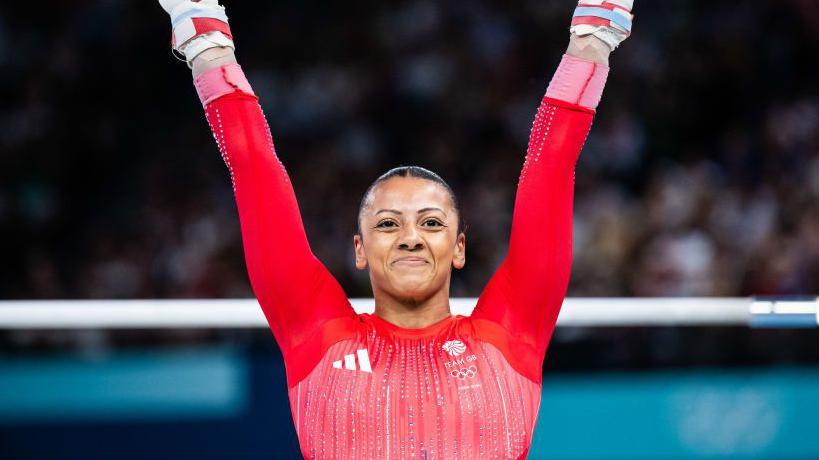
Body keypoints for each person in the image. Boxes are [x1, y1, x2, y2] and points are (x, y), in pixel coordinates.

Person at [157, 1, 633, 458]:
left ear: (459, 247)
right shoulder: (317, 335)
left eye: (431, 222)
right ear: (359, 251)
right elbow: (253, 166)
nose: (411, 236)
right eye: (388, 224)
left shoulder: (510, 335)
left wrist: (595, 37)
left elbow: (551, 165)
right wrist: (202, 35)